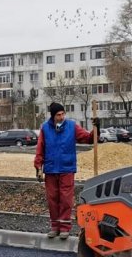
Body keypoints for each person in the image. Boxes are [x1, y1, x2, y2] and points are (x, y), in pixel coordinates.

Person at [34, 102, 97, 240]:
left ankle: (64, 228)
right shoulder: (45, 128)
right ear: (53, 116)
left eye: (63, 114)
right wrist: (38, 166)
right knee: (52, 200)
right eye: (58, 115)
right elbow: (40, 148)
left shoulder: (72, 126)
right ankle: (55, 227)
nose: (61, 117)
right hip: (50, 169)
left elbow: (88, 138)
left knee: (66, 199)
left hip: (67, 168)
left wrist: (96, 129)